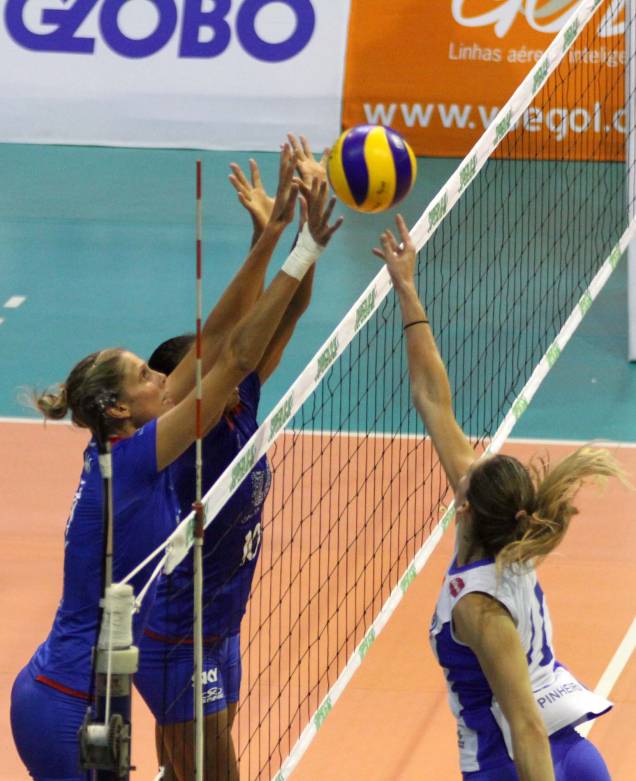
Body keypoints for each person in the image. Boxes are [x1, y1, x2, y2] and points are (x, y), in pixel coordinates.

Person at [9, 146, 331, 781]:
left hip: (89, 696)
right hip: (67, 706)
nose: (165, 379)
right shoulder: (131, 461)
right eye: (146, 376)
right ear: (120, 410)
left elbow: (214, 337)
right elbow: (233, 360)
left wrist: (266, 241)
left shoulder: (125, 445)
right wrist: (301, 250)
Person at [373, 215, 622, 781]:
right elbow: (432, 399)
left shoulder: (478, 609)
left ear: (464, 507)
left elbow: (526, 727)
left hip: (516, 765)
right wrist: (406, 290)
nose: (461, 468)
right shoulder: (513, 536)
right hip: (578, 756)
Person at [134, 135, 338, 781]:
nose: (221, 364)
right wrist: (283, 239)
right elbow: (237, 346)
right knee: (215, 773)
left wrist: (288, 235)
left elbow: (283, 316)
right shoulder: (180, 434)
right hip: (178, 629)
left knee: (188, 767)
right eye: (206, 365)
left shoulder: (238, 396)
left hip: (222, 623)